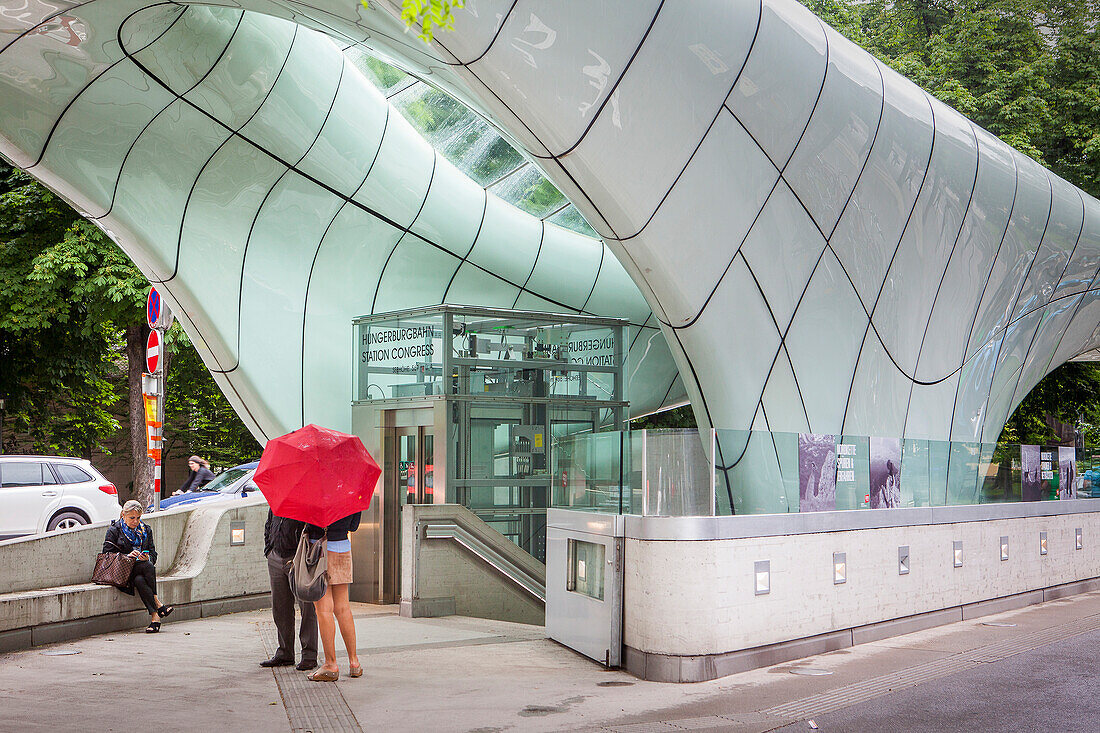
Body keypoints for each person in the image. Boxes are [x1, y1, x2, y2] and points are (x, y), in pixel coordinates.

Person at [306, 511, 362, 682]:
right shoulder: (350, 491)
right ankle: (354, 662)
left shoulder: (316, 490)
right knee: (343, 607)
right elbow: (353, 526)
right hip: (343, 547)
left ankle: (331, 664)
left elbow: (308, 522)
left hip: (320, 549)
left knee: (323, 608)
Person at [103, 500, 173, 633]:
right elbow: (106, 555)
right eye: (132, 518)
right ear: (123, 515)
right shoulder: (114, 530)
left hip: (140, 572)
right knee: (148, 567)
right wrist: (127, 556)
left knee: (141, 578)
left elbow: (153, 554)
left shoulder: (146, 530)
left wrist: (148, 557)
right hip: (123, 573)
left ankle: (155, 617)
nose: (135, 521)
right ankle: (158, 604)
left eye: (138, 518)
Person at [261, 509, 318, 671]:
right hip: (276, 556)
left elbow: (313, 530)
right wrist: (269, 549)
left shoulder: (306, 502)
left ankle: (309, 655)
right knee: (280, 607)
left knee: (307, 608)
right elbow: (269, 524)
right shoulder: (278, 499)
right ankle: (285, 653)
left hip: (297, 558)